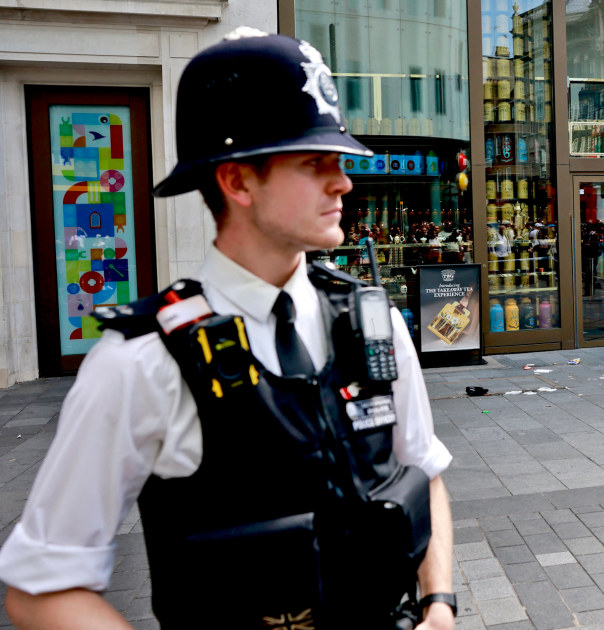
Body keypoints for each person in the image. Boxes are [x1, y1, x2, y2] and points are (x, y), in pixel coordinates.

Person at [0, 30, 457, 629]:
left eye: (340, 162)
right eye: (313, 163)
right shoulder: (141, 361)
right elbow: (40, 588)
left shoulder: (372, 322)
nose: (343, 183)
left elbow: (424, 473)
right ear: (238, 182)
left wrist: (439, 606)